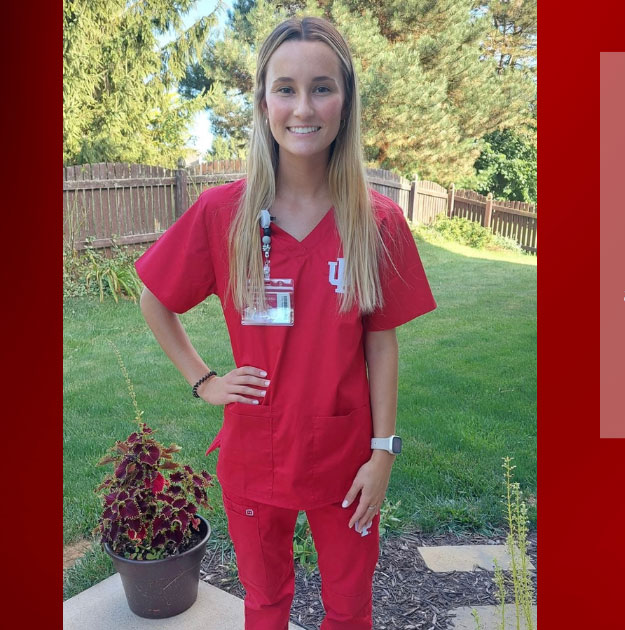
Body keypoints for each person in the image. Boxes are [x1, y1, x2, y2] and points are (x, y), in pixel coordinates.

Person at [135, 16, 435, 630]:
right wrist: (203, 380)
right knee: (265, 602)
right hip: (254, 456)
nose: (304, 107)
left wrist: (383, 452)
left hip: (346, 461)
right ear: (263, 100)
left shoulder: (376, 223)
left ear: (346, 100)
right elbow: (154, 298)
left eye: (322, 87)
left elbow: (382, 345)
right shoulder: (223, 213)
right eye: (286, 88)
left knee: (350, 608)